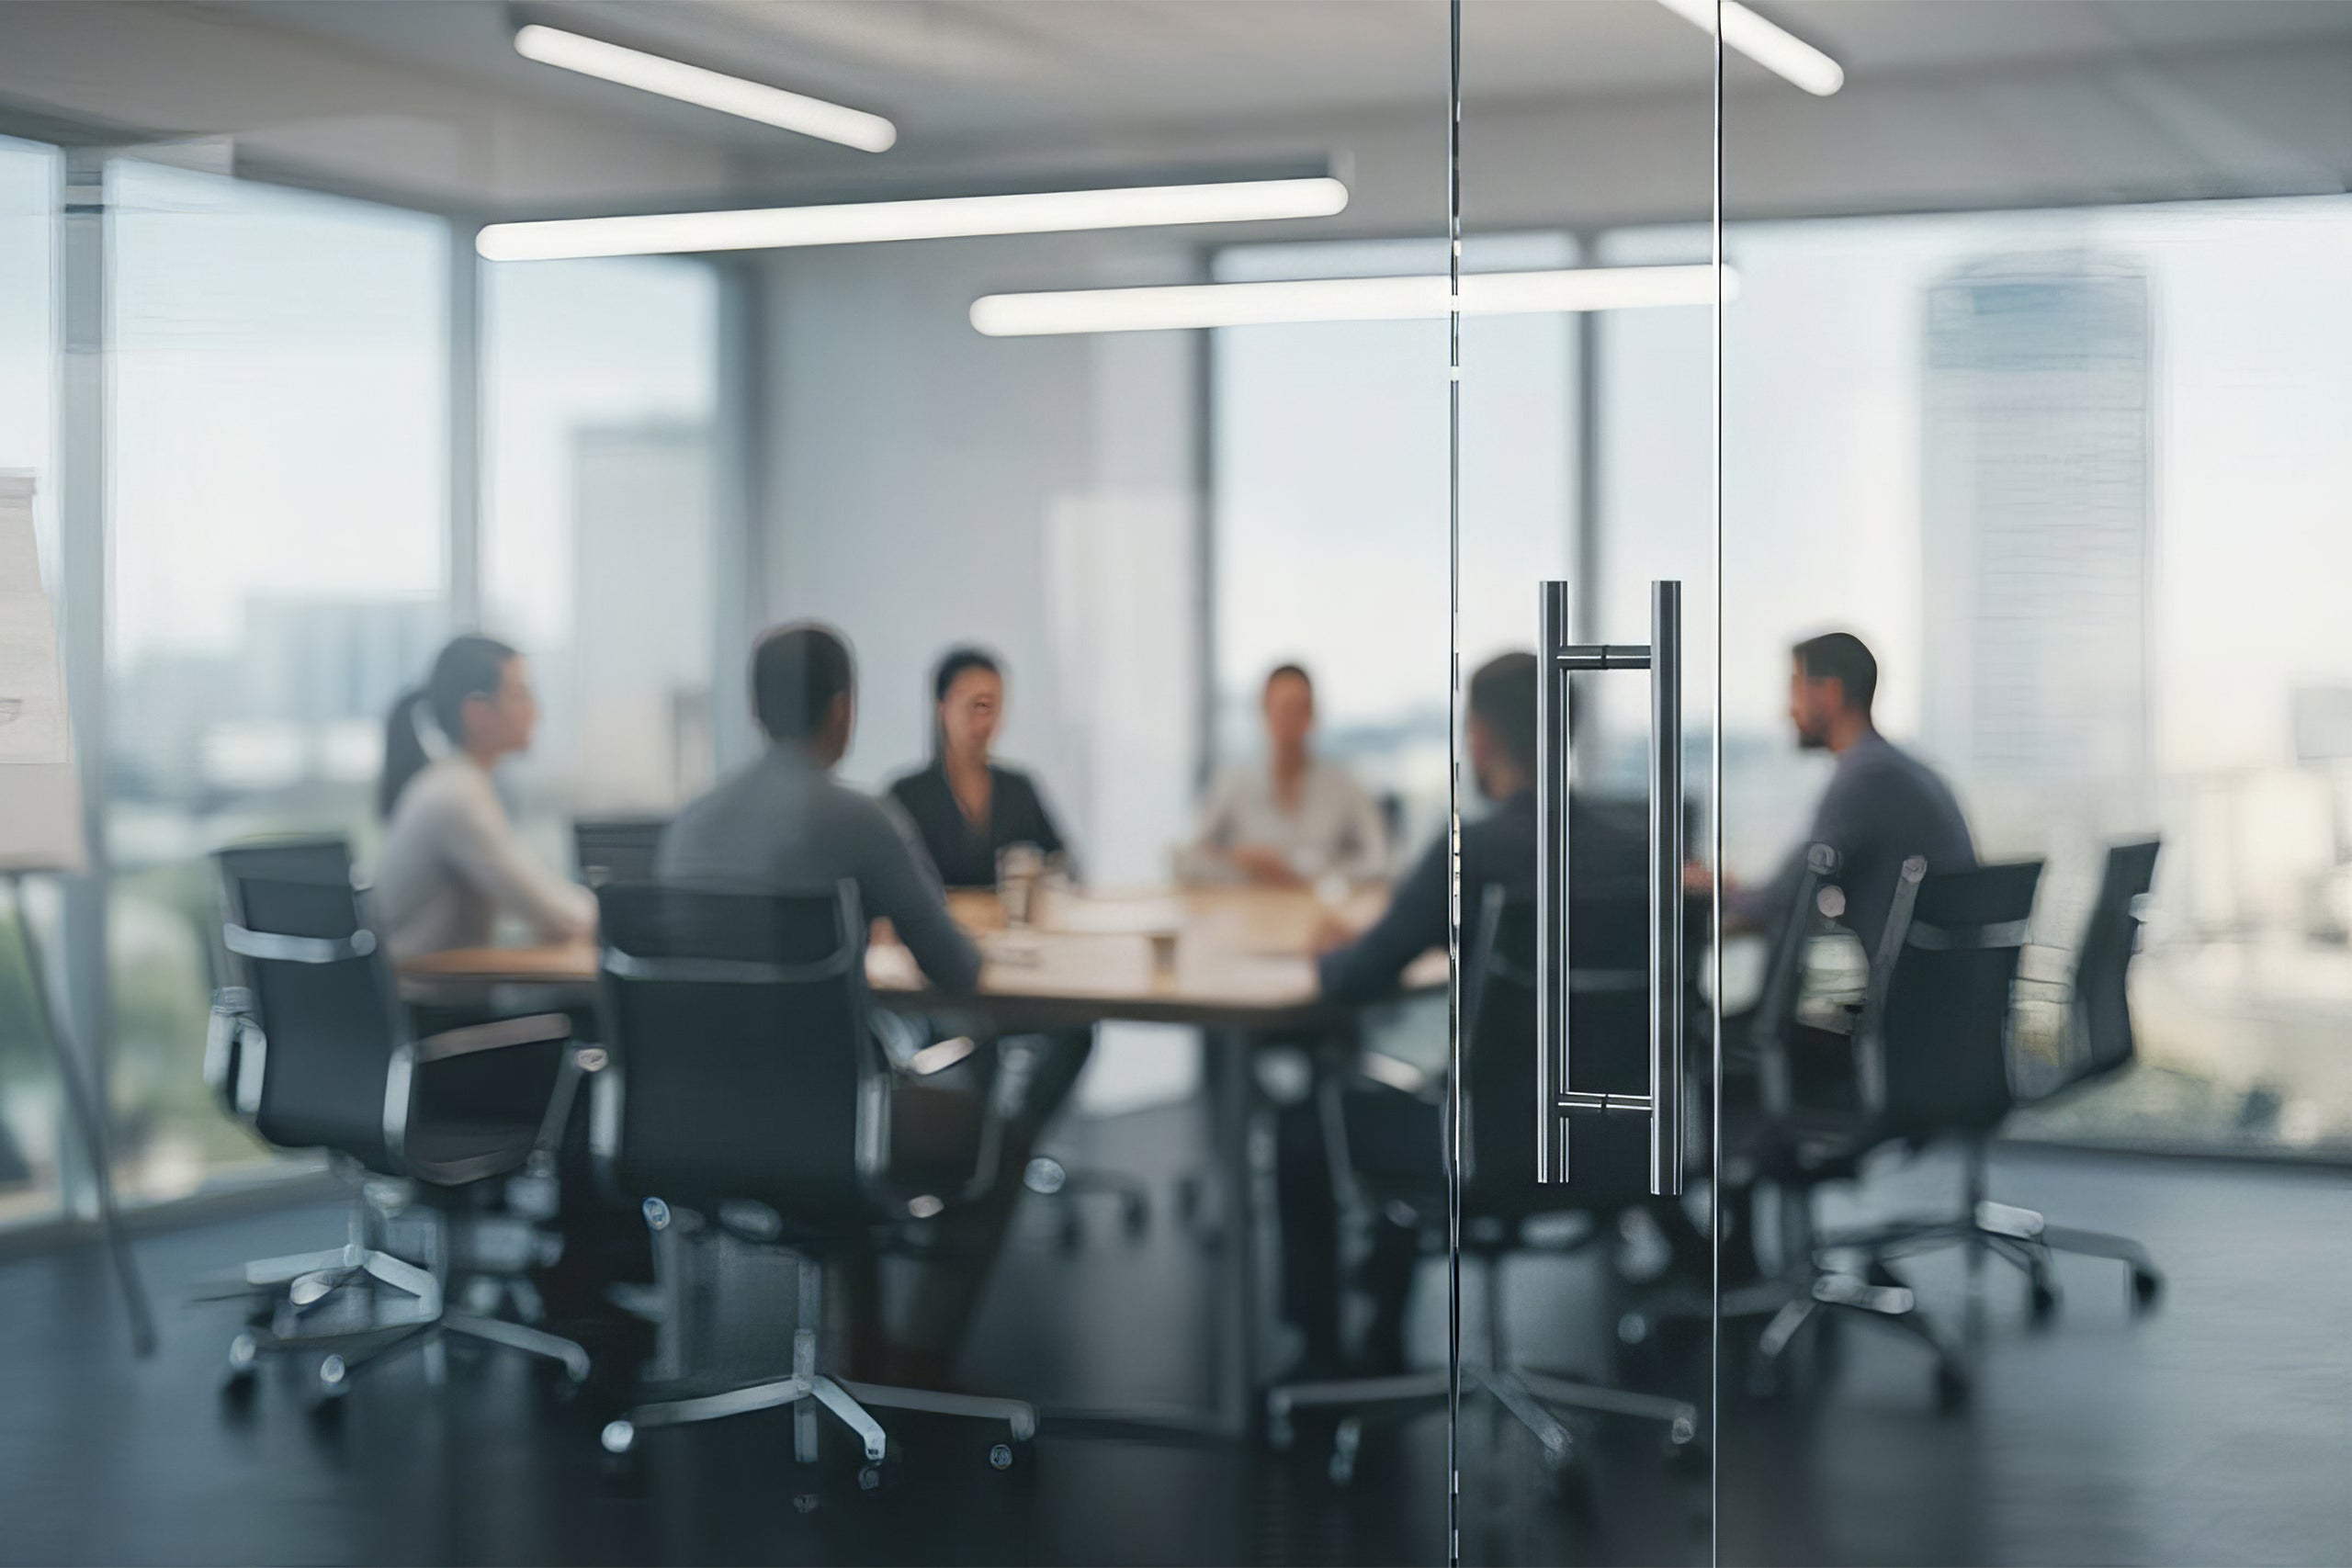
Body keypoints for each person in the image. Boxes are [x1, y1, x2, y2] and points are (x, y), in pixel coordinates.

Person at [1275, 652, 1667, 1376]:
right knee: (1422, 1099)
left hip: (1497, 1146)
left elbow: (1356, 977)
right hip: (1619, 1141)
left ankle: (1324, 1359)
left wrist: (1335, 948)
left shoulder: (1473, 851)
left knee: (1308, 1125)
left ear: (1481, 737)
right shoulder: (1640, 849)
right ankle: (1383, 1319)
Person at [660, 623, 980, 994]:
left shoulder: (689, 822)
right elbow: (955, 968)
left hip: (703, 1050)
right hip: (822, 1050)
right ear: (841, 710)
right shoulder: (862, 819)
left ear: (755, 711)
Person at [1727, 631, 1976, 954]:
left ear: (1829, 693)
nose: (1787, 711)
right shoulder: (1902, 770)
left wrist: (1721, 893)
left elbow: (1789, 892)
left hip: (1901, 998)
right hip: (1939, 992)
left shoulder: (1866, 778)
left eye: (1795, 689)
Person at [371, 635, 595, 964]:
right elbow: (555, 911)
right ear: (477, 713)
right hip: (433, 1003)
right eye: (521, 695)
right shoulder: (455, 797)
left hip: (436, 992)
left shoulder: (454, 783)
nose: (535, 712)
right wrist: (625, 917)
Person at [1182, 663, 1386, 886]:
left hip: (1322, 911)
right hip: (1250, 911)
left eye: (1298, 709)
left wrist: (1313, 877)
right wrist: (1239, 862)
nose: (1289, 719)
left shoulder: (1345, 785)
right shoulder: (1233, 783)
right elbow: (1187, 860)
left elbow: (1380, 862)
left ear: (1312, 714)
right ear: (1264, 711)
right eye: (1281, 708)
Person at [887, 647, 1073, 889]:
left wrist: (1037, 875)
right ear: (942, 707)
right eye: (971, 704)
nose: (981, 718)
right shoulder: (906, 795)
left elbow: (1064, 864)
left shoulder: (1019, 789)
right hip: (935, 927)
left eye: (989, 706)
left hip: (1010, 926)